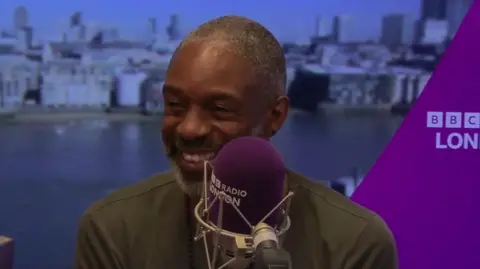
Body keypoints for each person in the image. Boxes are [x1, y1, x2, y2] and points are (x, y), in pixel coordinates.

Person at [74, 15, 398, 269]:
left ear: (276, 116)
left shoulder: (355, 242)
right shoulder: (112, 229)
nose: (188, 129)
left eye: (220, 109)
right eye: (174, 106)